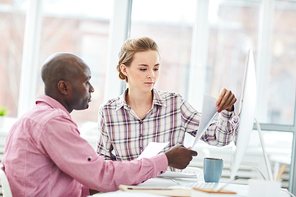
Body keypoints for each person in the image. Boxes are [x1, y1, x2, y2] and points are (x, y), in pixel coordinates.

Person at [2, 52, 197, 197]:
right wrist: (165, 159)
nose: (92, 89)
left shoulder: (31, 117)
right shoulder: (52, 123)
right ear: (64, 87)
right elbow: (101, 174)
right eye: (86, 82)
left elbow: (82, 178)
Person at [97, 37, 239, 161]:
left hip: (166, 189)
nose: (151, 75)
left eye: (156, 68)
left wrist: (227, 111)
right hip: (127, 190)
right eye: (143, 69)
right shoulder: (108, 111)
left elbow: (220, 139)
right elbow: (103, 162)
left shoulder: (175, 104)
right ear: (124, 69)